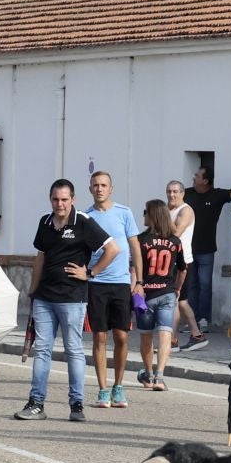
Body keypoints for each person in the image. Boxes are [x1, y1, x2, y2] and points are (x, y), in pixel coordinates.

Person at [17, 179, 113, 422]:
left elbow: (113, 249)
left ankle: (76, 404)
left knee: (73, 351)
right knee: (42, 351)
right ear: (50, 199)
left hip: (72, 298)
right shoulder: (45, 222)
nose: (59, 204)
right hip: (45, 298)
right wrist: (32, 289)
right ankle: (36, 402)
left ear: (73, 199)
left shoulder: (83, 222)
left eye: (64, 199)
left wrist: (90, 273)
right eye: (55, 199)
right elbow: (41, 256)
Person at [84, 170, 141, 408]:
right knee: (99, 336)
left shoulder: (124, 213)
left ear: (111, 189)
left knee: (122, 335)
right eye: (95, 185)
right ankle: (103, 389)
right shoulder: (85, 217)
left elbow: (135, 247)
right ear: (90, 189)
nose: (99, 189)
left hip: (120, 283)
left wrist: (139, 282)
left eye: (103, 185)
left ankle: (119, 386)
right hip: (96, 283)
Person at [180, 166, 231, 334]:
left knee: (205, 284)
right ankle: (191, 321)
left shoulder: (216, 195)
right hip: (187, 250)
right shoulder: (186, 193)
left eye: (197, 175)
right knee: (191, 285)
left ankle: (203, 319)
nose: (194, 177)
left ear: (205, 180)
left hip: (207, 249)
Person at [132, 198, 186, 392]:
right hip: (167, 293)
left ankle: (147, 374)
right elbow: (182, 269)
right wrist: (178, 288)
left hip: (145, 294)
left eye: (145, 212)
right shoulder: (175, 241)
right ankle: (160, 377)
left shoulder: (141, 240)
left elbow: (134, 269)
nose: (144, 216)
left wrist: (134, 290)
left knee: (146, 337)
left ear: (153, 215)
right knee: (165, 334)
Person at [163, 179, 206, 352]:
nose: (171, 195)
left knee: (174, 300)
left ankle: (172, 341)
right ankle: (197, 335)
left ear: (182, 193)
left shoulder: (186, 210)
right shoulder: (167, 210)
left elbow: (176, 233)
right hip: (170, 261)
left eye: (175, 192)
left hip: (182, 262)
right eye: (169, 191)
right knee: (181, 301)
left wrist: (159, 225)